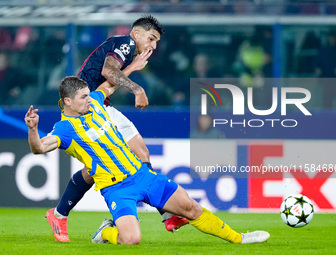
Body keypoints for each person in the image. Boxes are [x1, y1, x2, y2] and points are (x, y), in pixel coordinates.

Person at [25, 76, 270, 245]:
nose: (89, 99)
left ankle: (239, 238)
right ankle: (105, 233)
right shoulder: (64, 129)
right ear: (67, 102)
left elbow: (110, 84)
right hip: (117, 189)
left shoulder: (97, 104)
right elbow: (39, 149)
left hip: (143, 176)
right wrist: (33, 129)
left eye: (89, 95)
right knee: (131, 239)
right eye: (83, 97)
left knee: (192, 208)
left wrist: (134, 70)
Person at [45, 15, 187, 242]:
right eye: (151, 39)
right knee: (97, 169)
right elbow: (109, 72)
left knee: (128, 158)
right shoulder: (127, 43)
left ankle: (167, 214)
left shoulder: (127, 50)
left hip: (101, 107)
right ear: (137, 33)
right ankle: (60, 214)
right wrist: (138, 89)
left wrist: (132, 67)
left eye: (156, 42)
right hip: (90, 110)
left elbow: (109, 76)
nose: (153, 46)